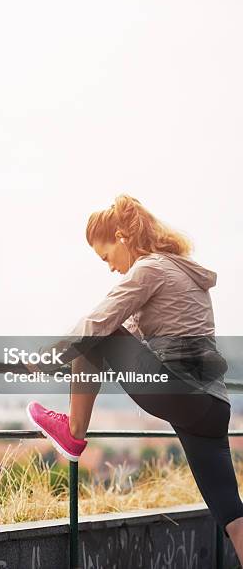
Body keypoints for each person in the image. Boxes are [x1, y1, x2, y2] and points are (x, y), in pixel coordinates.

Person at [25, 193, 243, 563]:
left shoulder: (150, 269)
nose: (110, 268)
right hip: (212, 406)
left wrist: (46, 356)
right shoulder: (180, 271)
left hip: (180, 392)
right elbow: (138, 333)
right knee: (233, 517)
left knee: (97, 333)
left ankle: (73, 432)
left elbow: (100, 323)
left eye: (106, 256)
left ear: (123, 237)